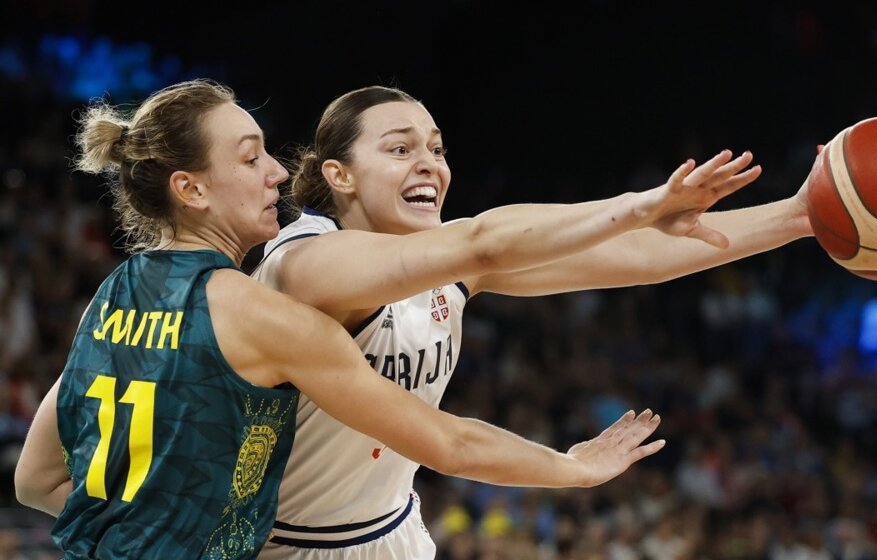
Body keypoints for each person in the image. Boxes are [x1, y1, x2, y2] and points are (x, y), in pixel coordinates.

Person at [12, 79, 671, 559]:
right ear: (191, 189)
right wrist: (574, 469)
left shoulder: (111, 296)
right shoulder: (266, 315)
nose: (276, 173)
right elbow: (450, 444)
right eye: (250, 158)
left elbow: (37, 480)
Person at [251, 85, 812, 558]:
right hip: (285, 542)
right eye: (400, 149)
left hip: (394, 530)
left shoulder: (448, 259)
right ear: (339, 176)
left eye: (437, 148)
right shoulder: (305, 263)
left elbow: (641, 257)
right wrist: (642, 205)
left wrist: (796, 216)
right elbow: (486, 242)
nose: (429, 162)